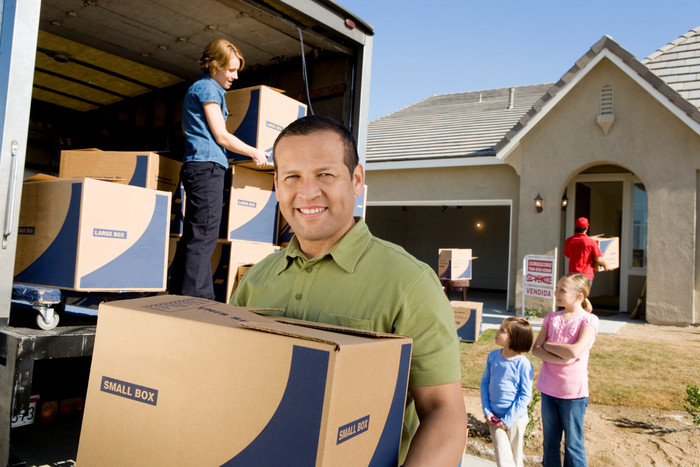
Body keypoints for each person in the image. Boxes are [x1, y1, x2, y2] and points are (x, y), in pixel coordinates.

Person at [230, 115, 467, 466]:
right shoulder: (254, 280)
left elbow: (444, 412)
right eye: (293, 177)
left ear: (356, 180)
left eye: (325, 175)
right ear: (277, 185)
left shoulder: (410, 282)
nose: (308, 192)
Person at [170, 38, 269, 299]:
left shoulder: (202, 89)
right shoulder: (207, 89)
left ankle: (177, 292)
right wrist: (254, 152)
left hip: (198, 165)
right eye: (231, 70)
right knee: (204, 235)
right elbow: (222, 136)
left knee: (194, 233)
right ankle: (199, 299)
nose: (235, 76)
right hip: (206, 168)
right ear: (214, 65)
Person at [532, 273, 599, 467]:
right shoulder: (551, 318)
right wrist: (561, 358)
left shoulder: (589, 320)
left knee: (573, 444)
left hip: (573, 394)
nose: (556, 293)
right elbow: (536, 349)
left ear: (579, 297)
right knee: (550, 443)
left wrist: (549, 345)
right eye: (557, 288)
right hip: (548, 390)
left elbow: (576, 350)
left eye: (562, 290)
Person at [480, 317, 534, 467]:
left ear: (515, 338)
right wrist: (487, 411)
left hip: (515, 420)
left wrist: (508, 419)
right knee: (503, 459)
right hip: (495, 419)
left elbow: (525, 395)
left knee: (515, 458)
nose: (497, 333)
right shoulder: (493, 357)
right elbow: (485, 383)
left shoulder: (523, 364)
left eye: (502, 331)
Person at [563, 217, 608, 285]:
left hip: (573, 275)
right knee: (584, 295)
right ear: (586, 228)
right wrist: (606, 266)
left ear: (575, 228)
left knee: (574, 294)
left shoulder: (569, 241)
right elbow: (599, 259)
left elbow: (566, 256)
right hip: (585, 275)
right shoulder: (591, 242)